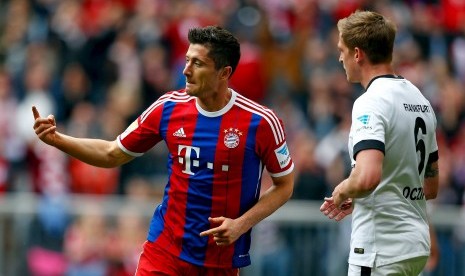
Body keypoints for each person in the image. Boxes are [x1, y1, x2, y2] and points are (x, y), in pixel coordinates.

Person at [32, 25, 295, 275]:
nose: (186, 70)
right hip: (165, 251)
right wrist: (58, 140)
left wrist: (241, 224)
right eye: (187, 60)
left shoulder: (261, 121)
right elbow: (112, 153)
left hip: (219, 262)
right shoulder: (168, 107)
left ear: (224, 73)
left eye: (198, 63)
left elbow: (284, 185)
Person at [319, 10, 439, 276]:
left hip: (380, 247)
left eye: (342, 50)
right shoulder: (420, 100)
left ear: (358, 53)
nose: (340, 57)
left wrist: (344, 190)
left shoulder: (370, 102)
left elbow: (367, 177)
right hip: (415, 246)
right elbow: (430, 186)